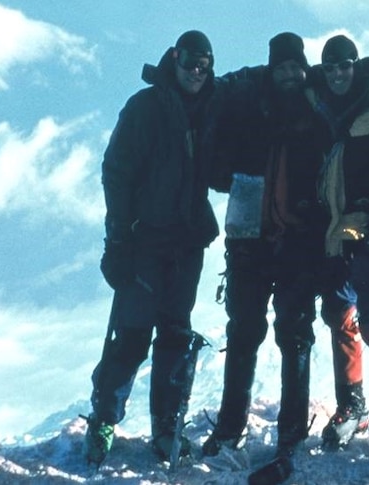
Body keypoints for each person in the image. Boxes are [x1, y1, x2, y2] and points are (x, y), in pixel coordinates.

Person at [82, 30, 229, 468]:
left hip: (186, 241)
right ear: (174, 59)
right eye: (188, 63)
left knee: (175, 333)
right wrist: (118, 239)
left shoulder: (212, 108)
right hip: (143, 239)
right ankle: (104, 419)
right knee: (131, 332)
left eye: (204, 65)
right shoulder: (145, 107)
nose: (195, 72)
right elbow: (116, 172)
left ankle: (167, 426)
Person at [201, 32, 326, 462]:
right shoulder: (248, 103)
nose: (290, 75)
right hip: (248, 240)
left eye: (296, 67)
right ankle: (230, 426)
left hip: (297, 239)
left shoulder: (315, 108)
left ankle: (291, 433)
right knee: (244, 331)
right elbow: (219, 155)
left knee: (294, 335)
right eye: (283, 68)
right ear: (272, 70)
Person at [307, 35, 369, 466]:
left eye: (344, 66)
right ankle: (354, 406)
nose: (337, 75)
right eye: (329, 68)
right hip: (331, 236)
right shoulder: (319, 111)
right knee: (339, 318)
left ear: (356, 66)